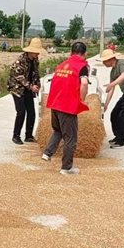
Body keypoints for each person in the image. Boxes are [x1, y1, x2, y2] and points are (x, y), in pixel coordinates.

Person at [42, 42, 89, 174]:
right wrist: (82, 99)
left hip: (55, 103)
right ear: (85, 54)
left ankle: (47, 153)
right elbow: (84, 83)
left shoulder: (61, 65)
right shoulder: (82, 66)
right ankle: (66, 167)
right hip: (67, 106)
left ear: (70, 52)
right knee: (70, 137)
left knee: (58, 131)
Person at [8, 37, 46, 144]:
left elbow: (36, 74)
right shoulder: (20, 61)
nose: (37, 54)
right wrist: (30, 86)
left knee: (31, 112)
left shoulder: (35, 61)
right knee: (21, 112)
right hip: (17, 89)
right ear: (30, 51)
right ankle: (16, 135)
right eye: (36, 52)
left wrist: (37, 85)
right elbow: (18, 76)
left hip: (28, 89)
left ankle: (29, 135)